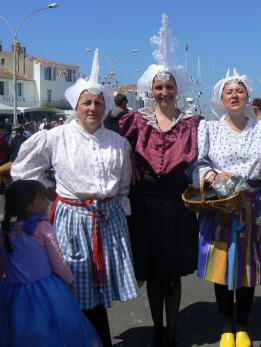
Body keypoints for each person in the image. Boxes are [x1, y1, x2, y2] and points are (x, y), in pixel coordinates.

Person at [11, 49, 139, 347]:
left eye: (98, 102)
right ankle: (83, 338)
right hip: (72, 219)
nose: (93, 107)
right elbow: (22, 170)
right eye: (87, 102)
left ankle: (92, 338)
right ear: (76, 106)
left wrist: (117, 206)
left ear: (106, 106)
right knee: (74, 283)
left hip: (109, 219)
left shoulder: (118, 142)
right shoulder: (57, 136)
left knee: (97, 288)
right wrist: (50, 193)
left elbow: (122, 185)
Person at [119, 15, 199, 347]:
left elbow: (201, 161)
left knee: (174, 270)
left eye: (169, 87)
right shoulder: (134, 120)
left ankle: (174, 328)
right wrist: (130, 168)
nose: (164, 92)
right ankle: (156, 326)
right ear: (151, 90)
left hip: (178, 199)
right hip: (146, 198)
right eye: (159, 87)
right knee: (152, 269)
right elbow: (117, 151)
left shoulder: (193, 122)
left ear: (177, 90)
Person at [194, 69, 261, 347]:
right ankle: (225, 328)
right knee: (221, 265)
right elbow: (198, 163)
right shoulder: (209, 128)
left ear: (248, 97)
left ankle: (242, 326)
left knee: (248, 267)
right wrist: (212, 176)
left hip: (253, 203)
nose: (235, 95)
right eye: (229, 92)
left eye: (240, 91)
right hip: (221, 204)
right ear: (221, 98)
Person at [0, 180, 103, 347]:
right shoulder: (43, 228)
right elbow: (58, 263)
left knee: (20, 332)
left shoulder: (5, 230)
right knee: (54, 331)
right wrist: (69, 281)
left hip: (14, 294)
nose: (47, 202)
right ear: (27, 205)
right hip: (47, 292)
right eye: (41, 198)